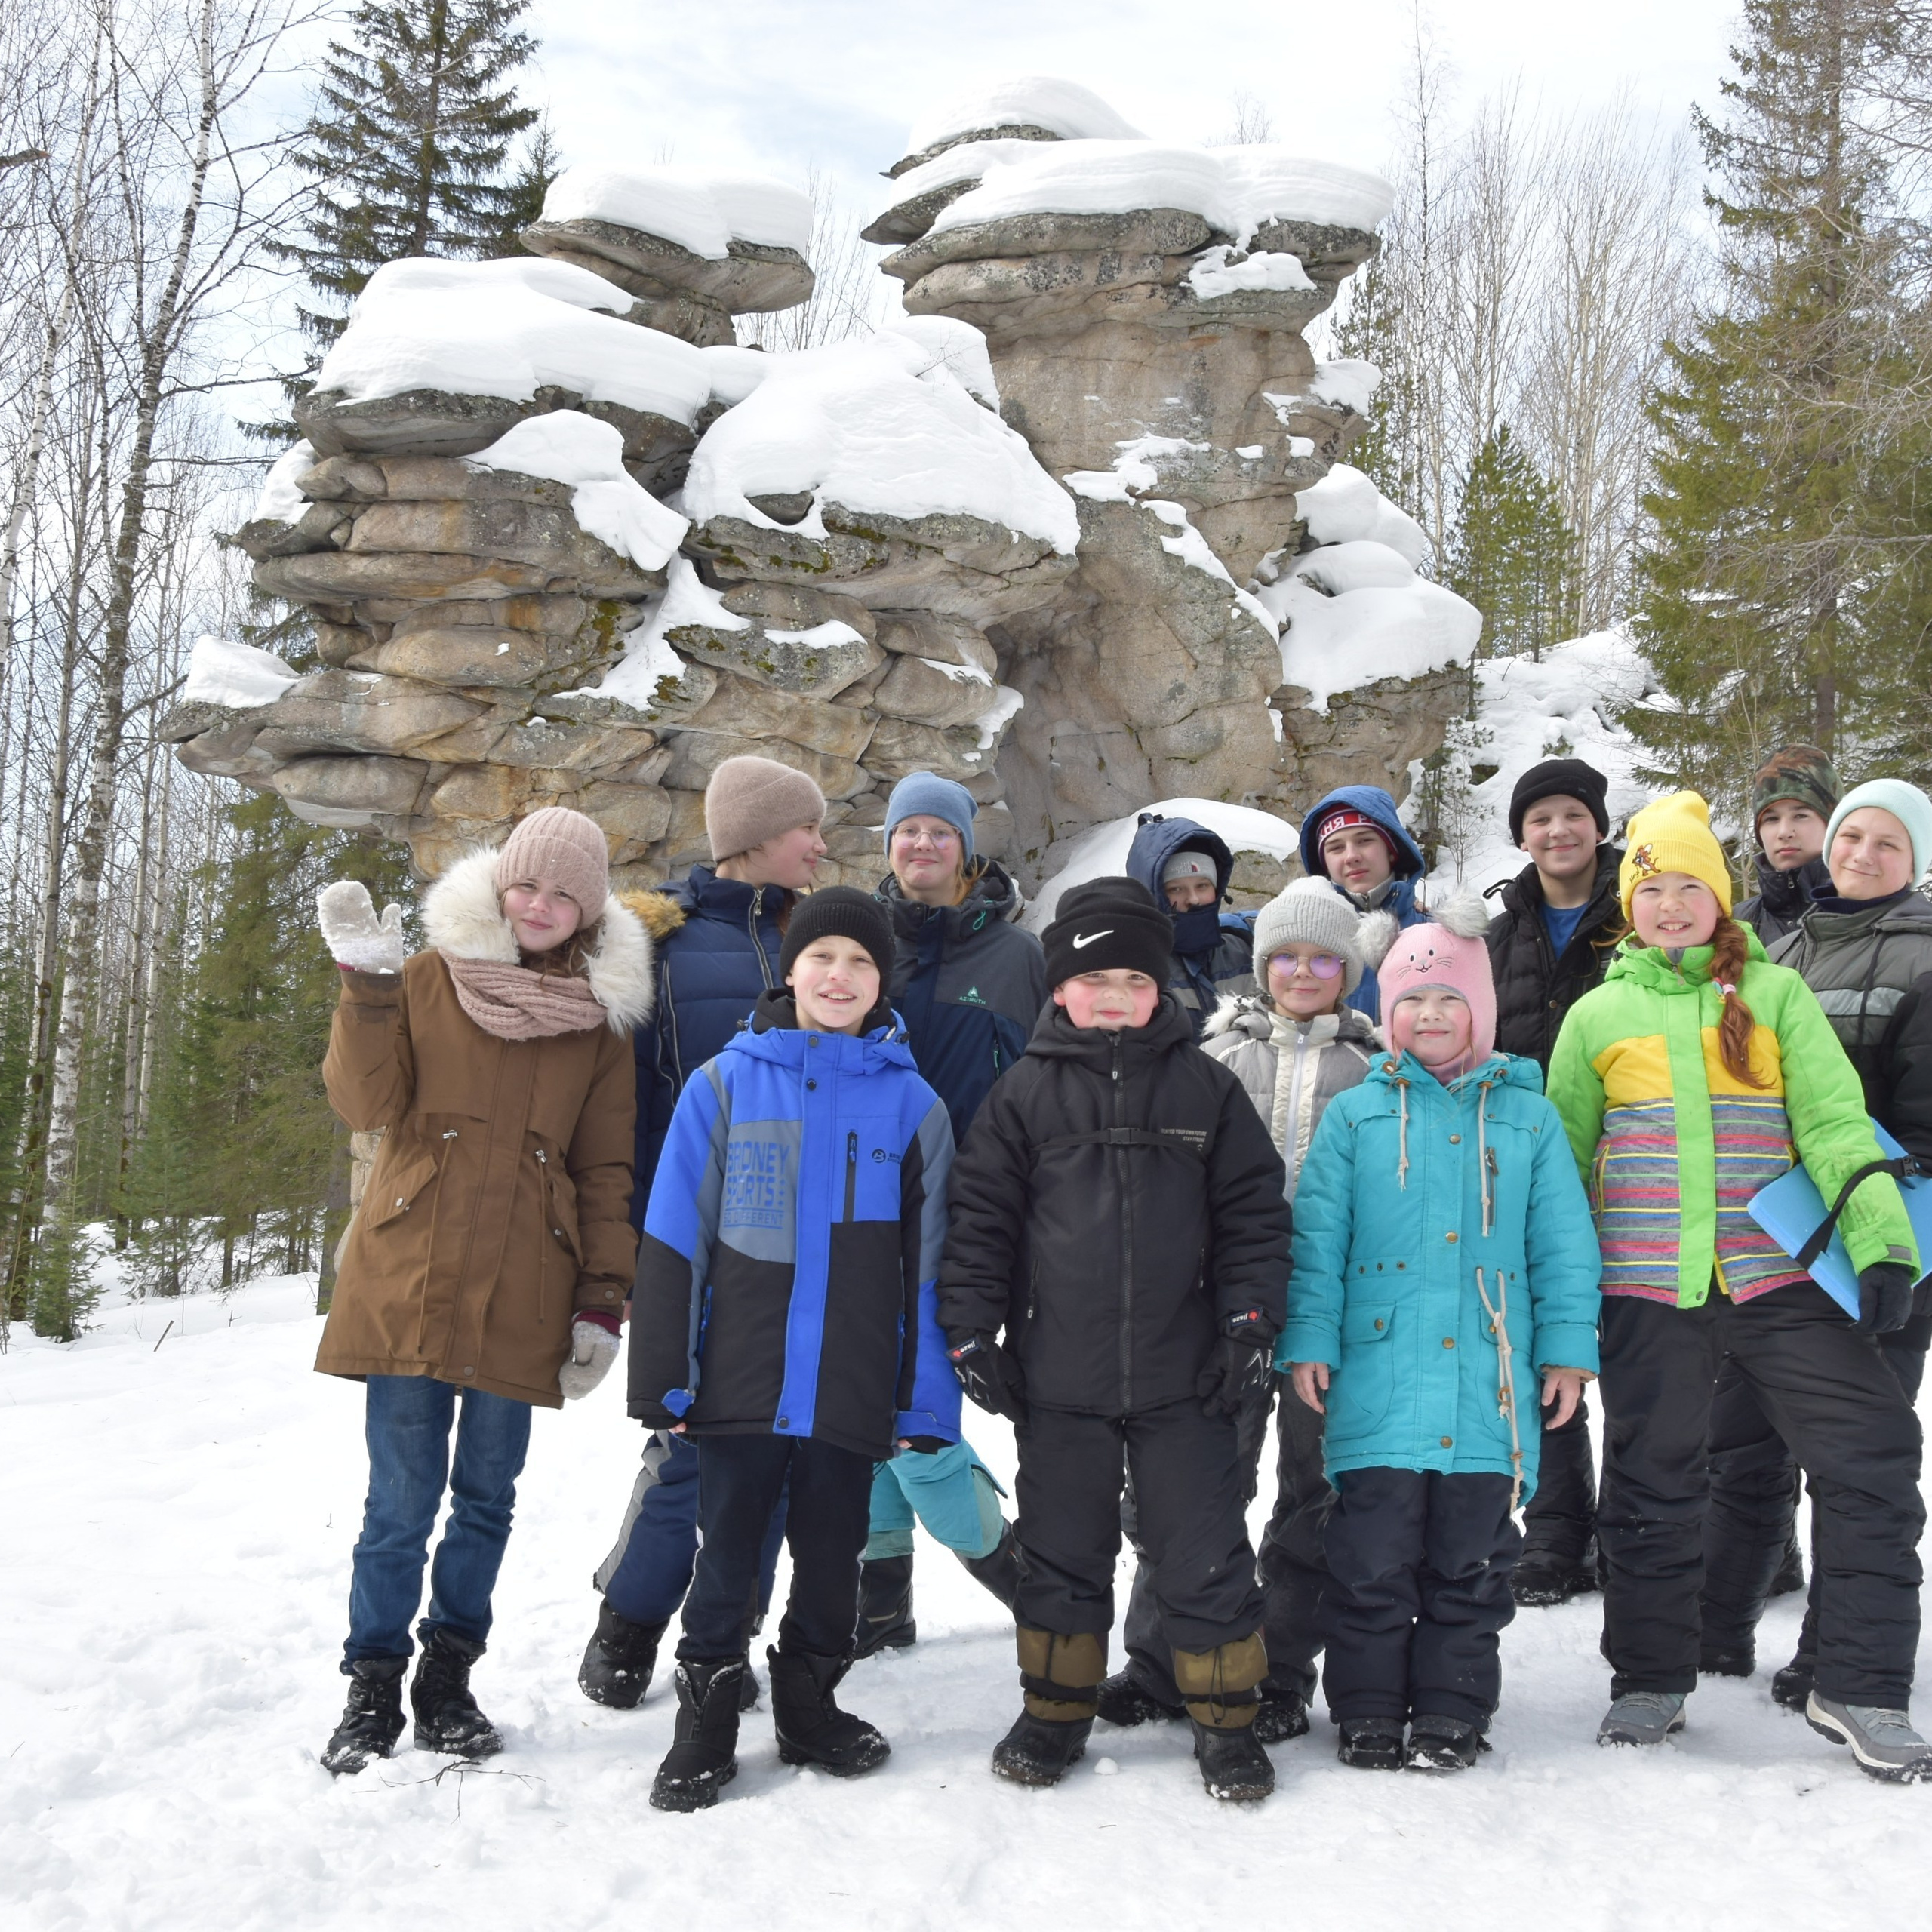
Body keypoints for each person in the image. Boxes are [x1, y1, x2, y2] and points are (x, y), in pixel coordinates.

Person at [1546, 792, 1932, 1780]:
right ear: (1628, 904)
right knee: (1652, 1480)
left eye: (1691, 887)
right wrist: (1552, 1299)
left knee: (1877, 1455)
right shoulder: (1596, 1015)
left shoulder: (1776, 997)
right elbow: (1563, 1167)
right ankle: (1651, 1677)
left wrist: (1886, 1247)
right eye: (1652, 888)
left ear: (1721, 900)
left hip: (1780, 1279)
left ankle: (1860, 1684)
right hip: (1646, 1291)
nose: (1671, 905)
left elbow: (1838, 1125)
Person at [312, 808, 653, 1776]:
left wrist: (601, 1300)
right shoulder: (423, 979)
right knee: (398, 1503)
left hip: (524, 1291)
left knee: (486, 1501)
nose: (540, 906)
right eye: (527, 885)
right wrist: (368, 989)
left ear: (585, 915)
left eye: (562, 896)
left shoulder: (598, 1028)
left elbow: (603, 1174)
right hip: (408, 1275)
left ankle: (447, 1683)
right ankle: (372, 1685)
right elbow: (363, 1103)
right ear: (500, 887)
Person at [939, 878, 1292, 1802]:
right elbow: (980, 1222)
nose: (1112, 995)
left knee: (1203, 1551)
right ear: (1059, 988)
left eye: (1133, 979)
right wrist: (972, 1330)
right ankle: (1054, 1712)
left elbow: (1253, 1215)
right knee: (1062, 1552)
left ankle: (1226, 1721)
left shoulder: (1205, 1088)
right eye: (1092, 978)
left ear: (1159, 989)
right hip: (1060, 1377)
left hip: (1188, 1378)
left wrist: (1250, 1323)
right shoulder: (1022, 1094)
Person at [629, 888, 960, 1811]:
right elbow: (673, 1237)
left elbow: (929, 1271)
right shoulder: (725, 1084)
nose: (840, 976)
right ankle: (704, 1723)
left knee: (832, 1556)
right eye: (823, 958)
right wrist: (664, 1371)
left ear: (882, 980)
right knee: (727, 1556)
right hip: (740, 1375)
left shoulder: (913, 1105)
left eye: (860, 962)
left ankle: (810, 1708)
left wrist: (923, 1400)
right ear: (791, 969)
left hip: (850, 1386)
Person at [1284, 895, 1602, 1771]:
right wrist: (1309, 1337)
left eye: (1449, 999)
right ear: (1387, 1012)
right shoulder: (1356, 1115)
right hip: (1377, 1376)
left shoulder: (1526, 1117)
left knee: (1471, 1561)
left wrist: (1569, 1348)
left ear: (1481, 1009)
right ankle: (1369, 1709)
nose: (1429, 1016)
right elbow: (1319, 1239)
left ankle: (1454, 1709)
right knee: (1372, 1556)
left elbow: (1563, 1244)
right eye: (1412, 1001)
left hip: (1487, 1384)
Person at [1097, 876, 1392, 1743]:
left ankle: (1280, 1669)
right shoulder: (1214, 1058)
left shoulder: (1371, 1071)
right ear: (1260, 966)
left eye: (1323, 957)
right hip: (1221, 1302)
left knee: (1314, 1490)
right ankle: (1158, 1657)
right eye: (1286, 956)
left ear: (1348, 969)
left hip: (1328, 1308)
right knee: (1196, 1483)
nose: (1303, 971)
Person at [577, 755, 827, 1712]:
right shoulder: (664, 948)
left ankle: (725, 1633)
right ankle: (629, 1622)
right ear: (757, 836)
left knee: (778, 1446)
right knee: (690, 1443)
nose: (818, 840)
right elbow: (627, 1111)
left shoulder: (820, 938)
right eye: (804, 826)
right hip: (696, 1239)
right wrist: (635, 1247)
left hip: (806, 1240)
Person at [1702, 778, 1932, 1700]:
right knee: (1743, 1441)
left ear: (1914, 860)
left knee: (1852, 1458)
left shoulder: (1921, 959)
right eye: (1852, 837)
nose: (1862, 854)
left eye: (1888, 843)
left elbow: (1920, 1128)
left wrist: (1881, 1228)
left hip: (1876, 1245)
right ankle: (1715, 1630)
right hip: (1772, 1242)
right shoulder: (1780, 949)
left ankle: (1829, 1652)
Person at [854, 772, 1040, 1654]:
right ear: (887, 844)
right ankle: (880, 1599)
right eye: (907, 830)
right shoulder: (857, 944)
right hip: (855, 1215)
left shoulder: (1015, 955)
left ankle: (1026, 1582)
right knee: (862, 1412)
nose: (921, 844)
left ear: (964, 847)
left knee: (920, 1416)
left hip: (969, 1219)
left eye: (939, 831)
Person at [1481, 757, 1624, 1609]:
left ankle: (1636, 1528)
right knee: (1542, 1346)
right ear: (1521, 833)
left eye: (1573, 814)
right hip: (1528, 1166)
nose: (1557, 831)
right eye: (1539, 818)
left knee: (1644, 1352)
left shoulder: (1641, 914)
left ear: (1598, 825)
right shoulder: (1498, 933)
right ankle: (1557, 1527)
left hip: (1633, 1163)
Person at [1297, 784, 1429, 1022]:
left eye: (1365, 840)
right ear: (1324, 863)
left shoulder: (1437, 934)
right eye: (1336, 847)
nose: (1351, 856)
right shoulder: (1301, 937)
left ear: (1392, 850)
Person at [1124, 812, 1257, 1039]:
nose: (1193, 899)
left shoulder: (1247, 948)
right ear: (1152, 896)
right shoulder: (1135, 970)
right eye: (1176, 889)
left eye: (1203, 885)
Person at [1734, 746, 1841, 946]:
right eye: (1772, 819)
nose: (1784, 832)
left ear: (1832, 825)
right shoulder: (1737, 927)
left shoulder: (1863, 915)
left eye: (1800, 816)